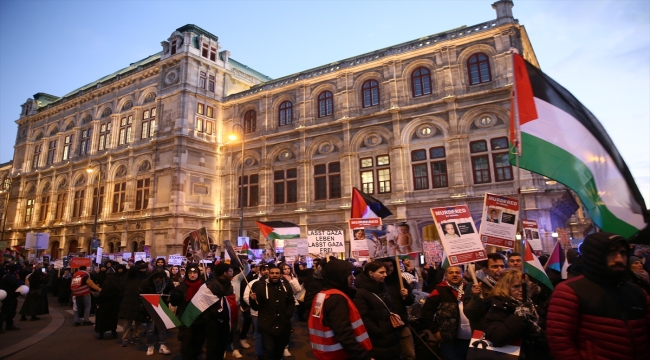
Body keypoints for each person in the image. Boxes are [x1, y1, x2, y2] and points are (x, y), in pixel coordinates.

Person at [546, 232, 650, 359]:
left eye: (622, 253)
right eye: (611, 253)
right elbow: (560, 341)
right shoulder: (568, 292)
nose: (619, 259)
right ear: (596, 256)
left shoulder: (638, 292)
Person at [308, 257, 373, 360]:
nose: (354, 278)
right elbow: (344, 334)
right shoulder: (336, 299)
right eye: (349, 274)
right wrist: (363, 356)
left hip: (326, 353)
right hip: (340, 354)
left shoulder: (322, 295)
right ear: (339, 277)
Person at [482, 269, 549, 359]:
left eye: (524, 286)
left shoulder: (530, 304)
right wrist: (519, 317)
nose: (521, 290)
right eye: (516, 286)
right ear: (506, 288)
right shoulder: (498, 306)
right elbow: (497, 337)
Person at [421, 266, 478, 360]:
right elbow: (426, 313)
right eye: (451, 273)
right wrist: (436, 331)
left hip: (472, 339)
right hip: (450, 342)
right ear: (446, 275)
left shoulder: (470, 289)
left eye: (457, 272)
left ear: (462, 275)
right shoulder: (438, 291)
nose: (454, 275)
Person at [353, 261, 400, 360]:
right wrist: (379, 331)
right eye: (381, 272)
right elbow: (363, 317)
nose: (385, 275)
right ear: (371, 273)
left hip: (391, 336)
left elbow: (391, 307)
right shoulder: (362, 292)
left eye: (385, 272)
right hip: (377, 339)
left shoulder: (382, 288)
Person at [250, 264, 295, 360]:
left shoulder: (286, 287)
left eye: (277, 273)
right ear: (268, 274)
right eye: (272, 273)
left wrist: (288, 314)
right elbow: (256, 307)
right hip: (267, 325)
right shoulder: (261, 287)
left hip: (283, 324)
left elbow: (291, 301)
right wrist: (253, 300)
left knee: (279, 350)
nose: (274, 275)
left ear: (280, 275)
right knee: (269, 350)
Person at [381, 258, 415, 360]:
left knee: (409, 354)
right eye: (385, 266)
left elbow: (410, 301)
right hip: (385, 326)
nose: (388, 269)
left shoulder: (400, 280)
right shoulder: (377, 283)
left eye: (391, 266)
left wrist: (407, 295)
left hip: (402, 323)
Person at [170, 264, 205, 360]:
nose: (192, 275)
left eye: (195, 273)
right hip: (186, 320)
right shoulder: (181, 287)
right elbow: (174, 303)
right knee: (186, 342)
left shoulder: (204, 287)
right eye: (190, 273)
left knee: (198, 341)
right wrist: (174, 297)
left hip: (200, 320)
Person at [203, 262, 238, 359]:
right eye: (229, 271)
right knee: (213, 348)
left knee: (221, 347)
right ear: (224, 273)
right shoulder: (210, 286)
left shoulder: (228, 284)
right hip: (213, 323)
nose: (231, 273)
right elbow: (205, 305)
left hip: (225, 322)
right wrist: (210, 319)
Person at [464, 253, 506, 331]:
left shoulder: (508, 284)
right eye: (495, 267)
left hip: (502, 331)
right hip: (483, 333)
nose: (500, 270)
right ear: (485, 269)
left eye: (502, 266)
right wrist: (476, 298)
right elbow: (470, 314)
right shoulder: (474, 285)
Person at [139, 269, 175, 355]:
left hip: (162, 305)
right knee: (150, 328)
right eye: (158, 278)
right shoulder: (146, 282)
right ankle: (150, 345)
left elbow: (173, 290)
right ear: (154, 277)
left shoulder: (167, 281)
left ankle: (162, 345)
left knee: (162, 327)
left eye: (162, 278)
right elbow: (140, 294)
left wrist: (169, 296)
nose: (160, 280)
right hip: (150, 306)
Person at [118, 260, 149, 347]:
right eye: (141, 266)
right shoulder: (131, 274)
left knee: (138, 321)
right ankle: (125, 338)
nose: (143, 268)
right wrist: (146, 264)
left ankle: (136, 337)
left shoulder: (146, 276)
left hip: (140, 301)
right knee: (127, 321)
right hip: (130, 300)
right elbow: (132, 268)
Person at [244, 264, 269, 360]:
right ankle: (259, 354)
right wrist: (255, 305)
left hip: (270, 314)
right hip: (257, 314)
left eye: (268, 269)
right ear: (260, 271)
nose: (266, 271)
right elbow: (246, 297)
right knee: (258, 335)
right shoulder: (253, 283)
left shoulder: (272, 283)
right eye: (264, 269)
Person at [95, 264, 125, 340]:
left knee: (102, 319)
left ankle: (102, 333)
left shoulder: (106, 283)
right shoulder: (116, 283)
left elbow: (102, 294)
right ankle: (113, 333)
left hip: (105, 304)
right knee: (112, 319)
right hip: (113, 303)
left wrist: (98, 302)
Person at [0, 264, 24, 332]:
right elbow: (17, 283)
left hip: (12, 296)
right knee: (5, 312)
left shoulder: (11, 276)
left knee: (11, 312)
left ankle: (9, 325)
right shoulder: (8, 276)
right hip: (8, 296)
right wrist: (20, 281)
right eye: (18, 269)